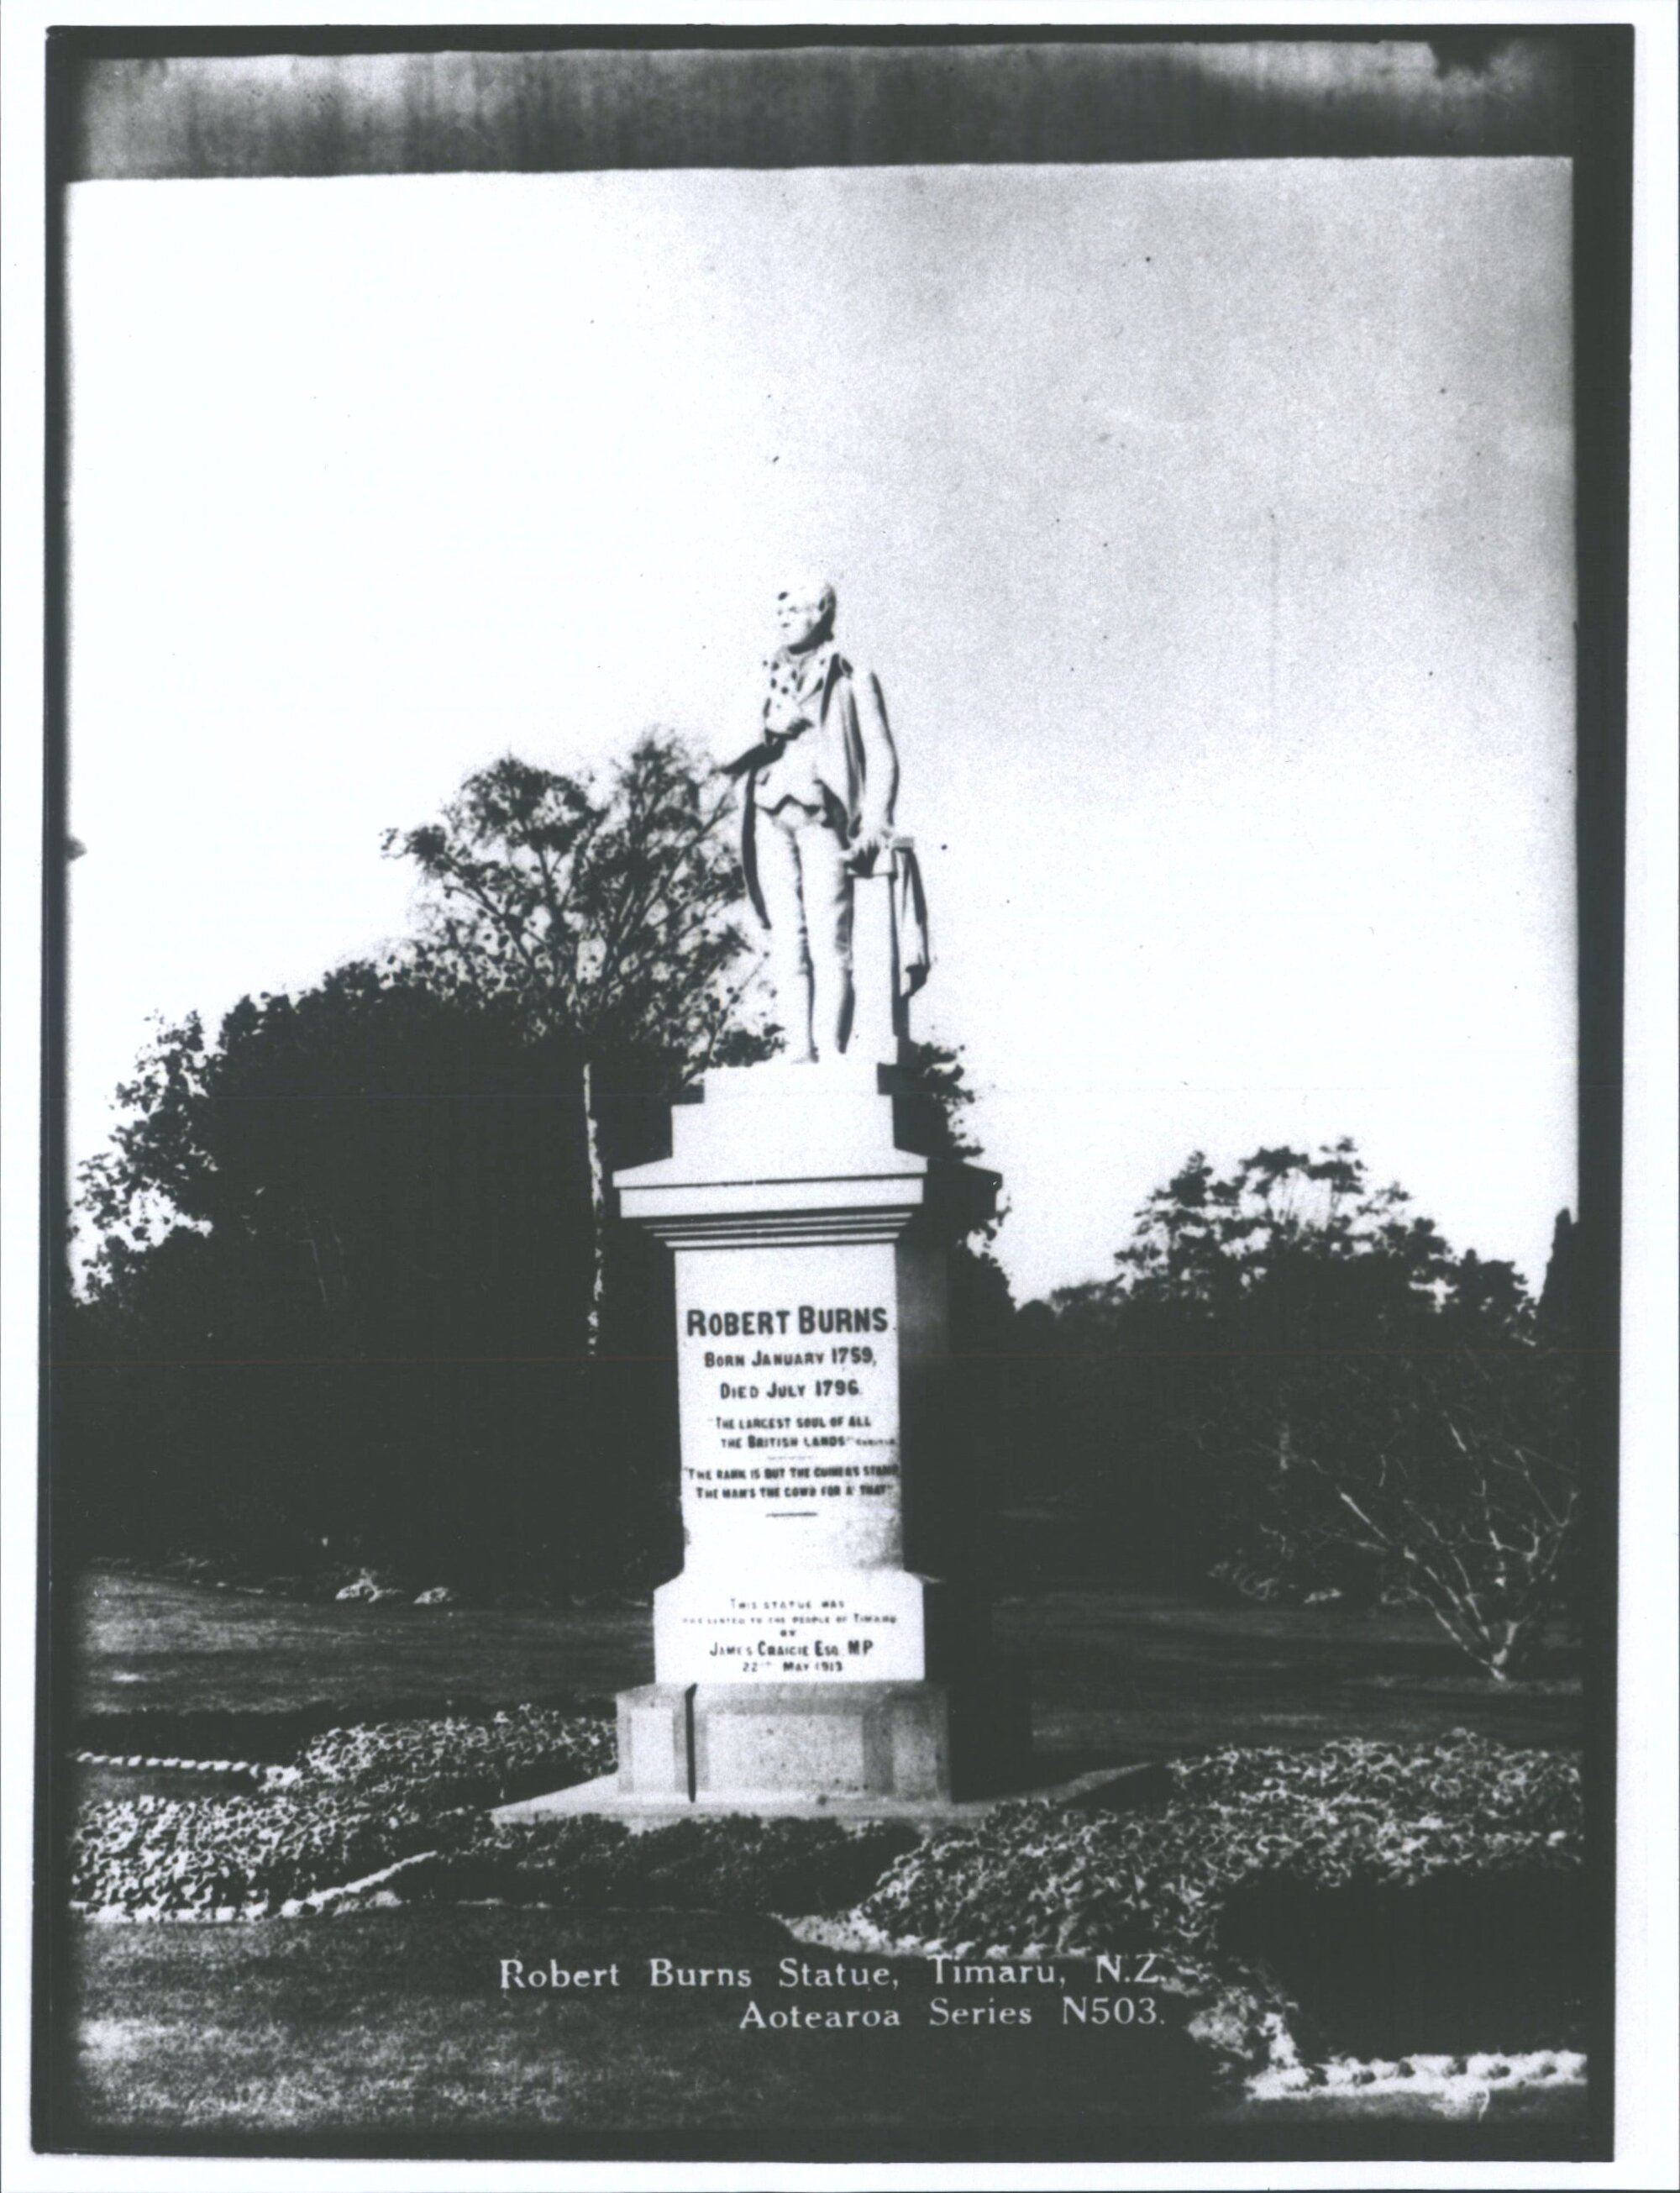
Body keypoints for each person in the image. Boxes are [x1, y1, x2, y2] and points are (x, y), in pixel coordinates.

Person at [721, 578, 900, 1062]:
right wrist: (765, 728)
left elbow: (881, 755)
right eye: (779, 611)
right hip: (768, 815)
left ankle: (829, 1048)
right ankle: (797, 1046)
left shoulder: (852, 676)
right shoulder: (761, 677)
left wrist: (876, 820)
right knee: (787, 937)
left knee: (829, 936)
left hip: (824, 816)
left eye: (796, 609)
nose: (784, 619)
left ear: (821, 612)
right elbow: (722, 751)